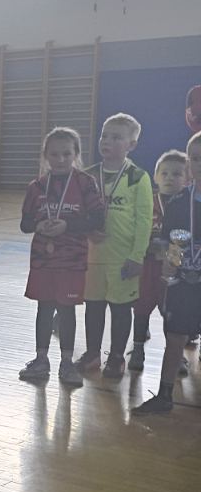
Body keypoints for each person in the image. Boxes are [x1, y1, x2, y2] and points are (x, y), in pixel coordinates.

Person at [17, 127, 104, 387]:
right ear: (45, 155)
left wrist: (67, 225)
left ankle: (67, 362)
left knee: (67, 310)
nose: (61, 159)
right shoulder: (36, 186)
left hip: (72, 260)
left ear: (76, 154)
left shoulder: (85, 183)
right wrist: (39, 225)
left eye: (67, 154)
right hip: (43, 260)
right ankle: (41, 359)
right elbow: (25, 223)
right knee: (44, 308)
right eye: (54, 154)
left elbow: (97, 219)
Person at [76, 114, 153, 379]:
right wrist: (87, 230)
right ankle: (92, 354)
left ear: (131, 145)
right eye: (104, 135)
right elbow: (77, 213)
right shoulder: (87, 176)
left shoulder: (137, 177)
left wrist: (137, 256)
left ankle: (117, 357)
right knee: (93, 307)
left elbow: (144, 221)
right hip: (93, 257)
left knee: (120, 309)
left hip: (123, 258)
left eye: (116, 137)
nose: (107, 141)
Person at [133, 132, 201, 416]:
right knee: (174, 337)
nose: (199, 164)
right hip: (183, 283)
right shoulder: (178, 202)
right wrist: (169, 264)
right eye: (195, 158)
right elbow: (173, 240)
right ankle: (164, 395)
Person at [130, 150, 190, 374]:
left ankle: (176, 354)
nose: (169, 178)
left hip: (176, 269)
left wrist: (175, 258)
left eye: (177, 174)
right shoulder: (146, 202)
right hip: (148, 266)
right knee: (142, 306)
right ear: (155, 177)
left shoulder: (188, 205)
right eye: (164, 173)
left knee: (173, 312)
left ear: (188, 179)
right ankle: (137, 349)